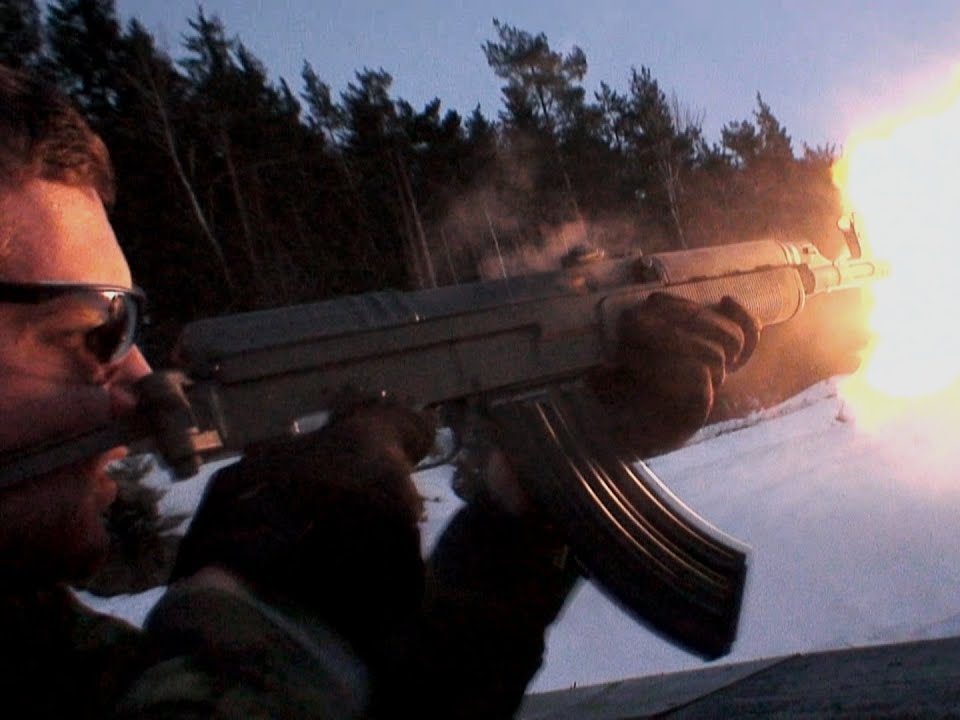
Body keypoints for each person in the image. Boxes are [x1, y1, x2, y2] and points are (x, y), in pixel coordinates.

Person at [0, 64, 759, 719]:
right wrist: (261, 617)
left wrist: (527, 507)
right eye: (86, 332)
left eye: (128, 325)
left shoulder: (51, 656)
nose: (136, 377)